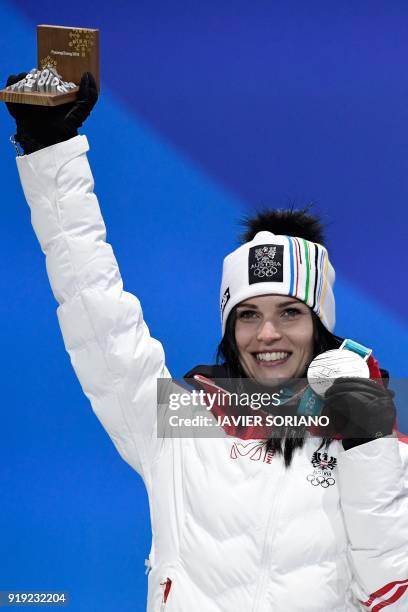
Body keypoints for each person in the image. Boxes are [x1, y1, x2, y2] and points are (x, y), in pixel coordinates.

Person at [6, 72, 408, 611]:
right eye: (248, 315)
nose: (267, 334)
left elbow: (390, 596)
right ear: (229, 329)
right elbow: (93, 305)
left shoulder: (375, 443)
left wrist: (369, 449)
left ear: (319, 325)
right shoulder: (178, 423)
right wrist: (51, 156)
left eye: (289, 312)